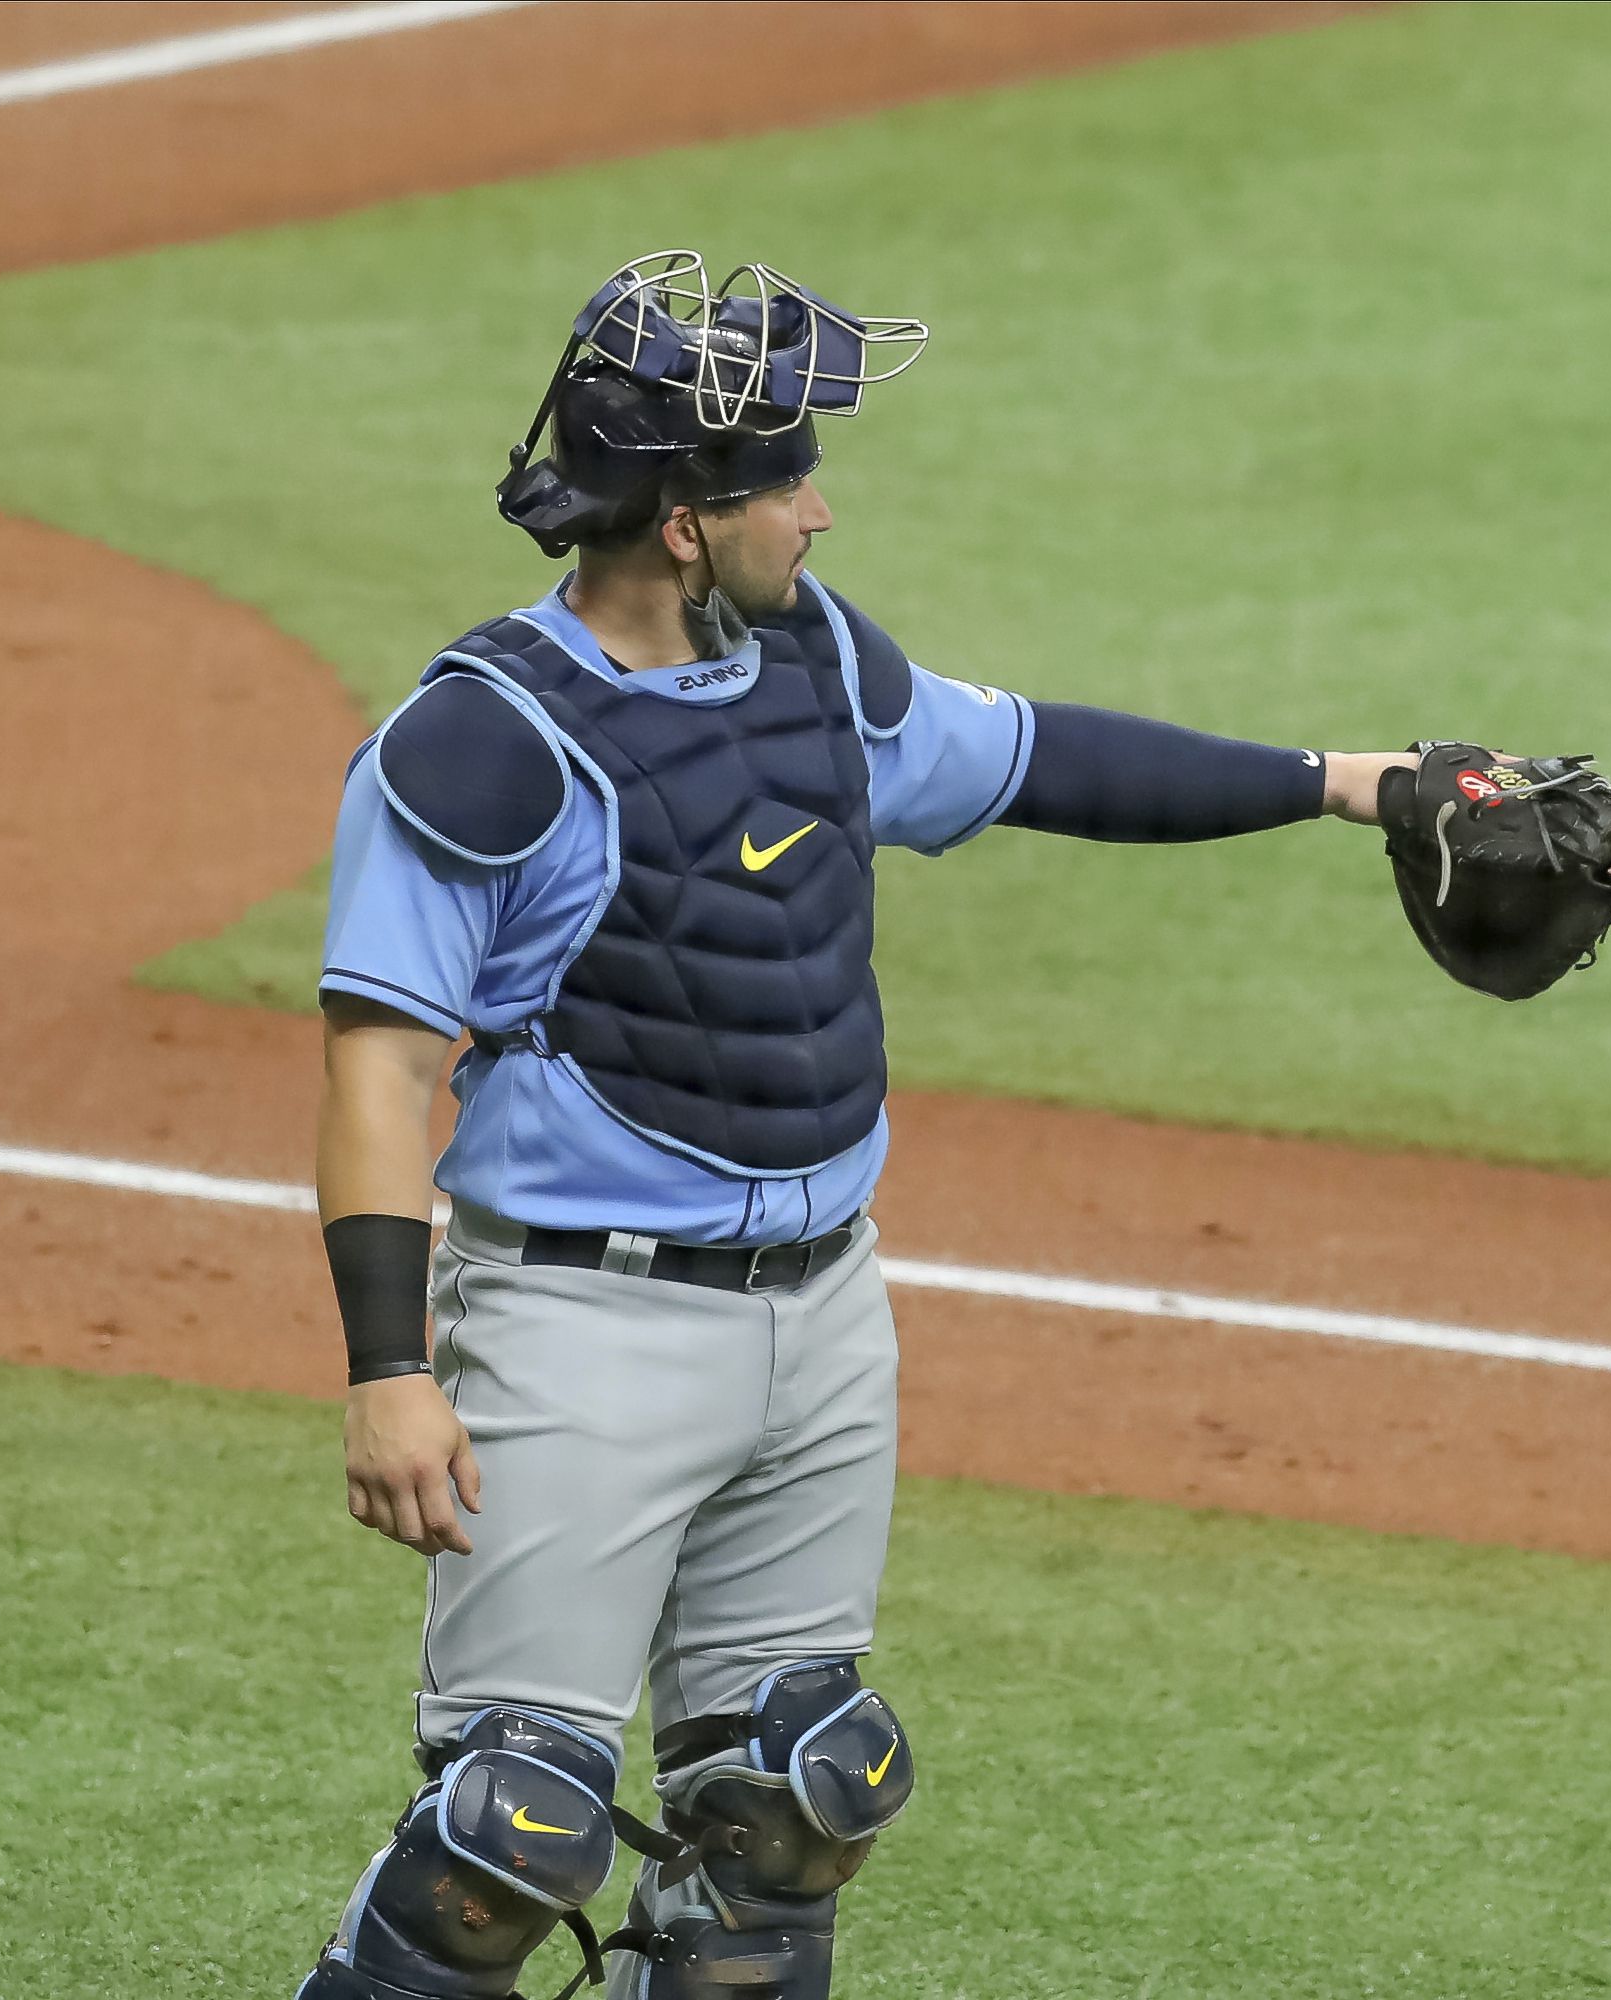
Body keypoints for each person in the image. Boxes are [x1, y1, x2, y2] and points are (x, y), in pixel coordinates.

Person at [299, 252, 1410, 2000]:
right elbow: (380, 1068)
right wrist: (387, 1369)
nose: (817, 507)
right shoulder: (486, 744)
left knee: (795, 1812)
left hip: (824, 1321)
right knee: (503, 1845)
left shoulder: (814, 666)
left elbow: (1040, 759)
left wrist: (1351, 780)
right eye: (782, 479)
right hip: (583, 1329)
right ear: (682, 517)